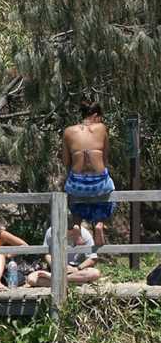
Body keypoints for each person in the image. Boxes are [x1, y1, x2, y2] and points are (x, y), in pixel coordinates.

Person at [62, 100, 115, 246]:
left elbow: (66, 161)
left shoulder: (68, 131)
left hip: (77, 182)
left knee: (74, 197)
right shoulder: (102, 128)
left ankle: (76, 225)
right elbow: (105, 157)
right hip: (99, 182)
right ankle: (99, 224)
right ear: (96, 115)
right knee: (108, 193)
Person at [26, 219, 101, 287]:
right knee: (31, 279)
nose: (71, 233)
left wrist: (77, 268)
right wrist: (56, 267)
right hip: (57, 268)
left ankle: (56, 279)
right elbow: (47, 254)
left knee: (95, 273)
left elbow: (92, 258)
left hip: (77, 270)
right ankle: (75, 282)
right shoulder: (51, 231)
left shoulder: (85, 234)